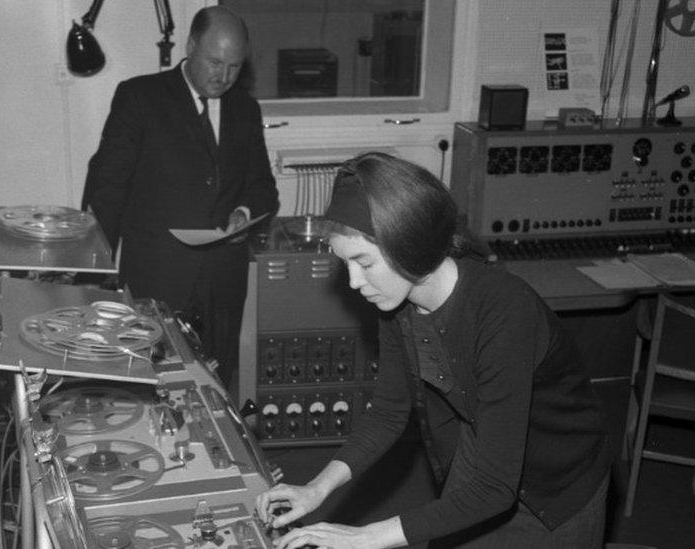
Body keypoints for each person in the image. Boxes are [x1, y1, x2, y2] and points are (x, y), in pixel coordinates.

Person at [256, 152, 611, 549]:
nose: (355, 282)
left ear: (407, 243)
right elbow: (389, 413)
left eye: (363, 262)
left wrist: (365, 537)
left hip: (556, 487)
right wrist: (317, 489)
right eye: (346, 264)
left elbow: (495, 489)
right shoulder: (395, 300)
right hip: (482, 458)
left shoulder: (504, 309)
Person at [81, 6, 278, 389]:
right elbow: (108, 188)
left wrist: (244, 212)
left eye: (234, 67)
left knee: (214, 387)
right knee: (149, 386)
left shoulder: (246, 110)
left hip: (223, 284)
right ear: (190, 46)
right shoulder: (139, 98)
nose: (223, 76)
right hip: (157, 279)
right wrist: (93, 275)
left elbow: (263, 187)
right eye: (215, 62)